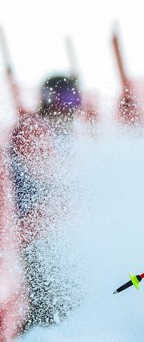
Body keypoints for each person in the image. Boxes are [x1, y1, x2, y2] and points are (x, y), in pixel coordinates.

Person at [7, 75, 82, 331]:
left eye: (76, 99)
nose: (73, 108)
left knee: (70, 310)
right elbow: (48, 173)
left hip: (59, 240)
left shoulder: (62, 135)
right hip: (38, 241)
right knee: (50, 315)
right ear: (50, 99)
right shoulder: (31, 127)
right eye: (67, 99)